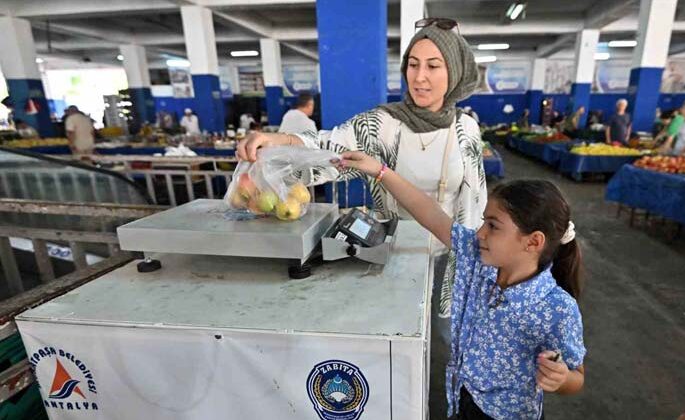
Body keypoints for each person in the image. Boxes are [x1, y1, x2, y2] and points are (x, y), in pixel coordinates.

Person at [237, 18, 486, 318]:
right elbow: (329, 144)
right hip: (393, 254)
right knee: (399, 336)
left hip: (450, 259)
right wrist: (278, 140)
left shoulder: (466, 129)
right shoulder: (382, 125)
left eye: (433, 66)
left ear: (454, 72)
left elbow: (476, 199)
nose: (419, 77)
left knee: (443, 341)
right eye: (413, 65)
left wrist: (480, 258)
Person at [338, 151, 586, 420]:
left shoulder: (557, 308)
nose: (480, 233)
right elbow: (431, 214)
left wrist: (561, 379)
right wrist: (380, 171)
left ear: (533, 242)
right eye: (483, 222)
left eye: (493, 225)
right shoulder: (482, 261)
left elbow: (577, 378)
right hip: (461, 397)